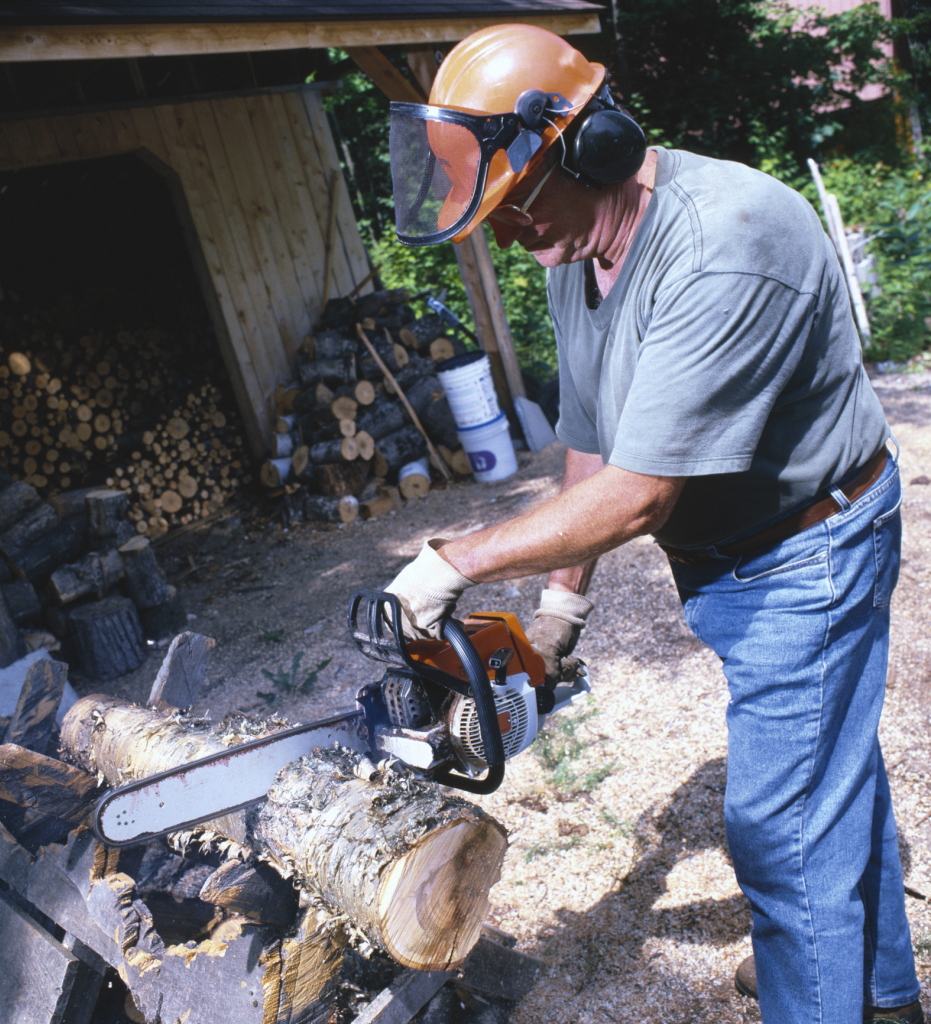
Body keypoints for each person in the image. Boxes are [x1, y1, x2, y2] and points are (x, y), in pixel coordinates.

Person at [383, 23, 923, 1024]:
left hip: (811, 546)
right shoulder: (573, 246)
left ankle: (820, 992)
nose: (508, 233)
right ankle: (881, 989)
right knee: (830, 769)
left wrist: (453, 562)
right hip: (738, 554)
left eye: (517, 202)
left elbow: (637, 495)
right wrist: (557, 619)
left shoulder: (724, 243)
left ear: (596, 146)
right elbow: (592, 443)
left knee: (780, 830)